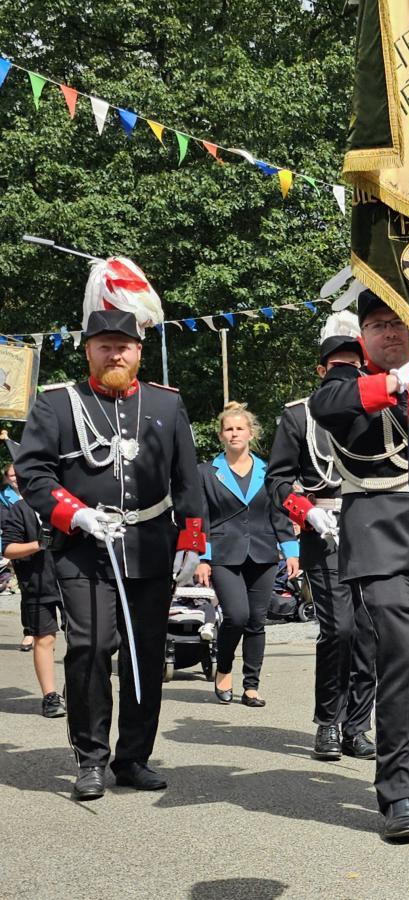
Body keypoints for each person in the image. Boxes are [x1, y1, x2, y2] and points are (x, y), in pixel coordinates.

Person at [18, 289, 206, 800]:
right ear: (88, 351)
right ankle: (91, 758)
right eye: (104, 346)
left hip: (150, 544)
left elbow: (186, 479)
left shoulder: (166, 402)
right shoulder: (58, 403)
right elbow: (33, 472)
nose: (114, 355)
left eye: (123, 346)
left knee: (146, 653)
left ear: (139, 351)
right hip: (84, 549)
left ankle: (134, 758)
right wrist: (74, 513)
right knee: (92, 647)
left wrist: (192, 541)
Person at [309, 290, 409, 842]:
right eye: (378, 324)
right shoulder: (347, 376)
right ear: (362, 336)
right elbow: (328, 406)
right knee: (405, 658)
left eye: (400, 322)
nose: (391, 332)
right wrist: (395, 382)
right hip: (378, 531)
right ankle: (396, 792)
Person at [267, 312, 378, 759]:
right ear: (321, 370)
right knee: (340, 629)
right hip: (324, 528)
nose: (347, 372)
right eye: (338, 365)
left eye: (354, 363)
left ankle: (357, 725)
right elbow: (278, 480)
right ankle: (329, 721)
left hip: (371, 527)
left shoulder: (379, 410)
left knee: (370, 631)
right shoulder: (299, 415)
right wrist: (307, 512)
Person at [194, 403, 299, 707]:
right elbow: (200, 518)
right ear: (221, 435)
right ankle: (224, 667)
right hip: (223, 554)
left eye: (240, 428)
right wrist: (202, 558)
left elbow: (279, 514)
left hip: (264, 553)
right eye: (229, 429)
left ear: (251, 433)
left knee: (256, 621)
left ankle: (251, 686)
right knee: (237, 616)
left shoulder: (269, 472)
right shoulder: (205, 473)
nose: (234, 433)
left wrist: (291, 552)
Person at [1, 449, 66, 716]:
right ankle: (50, 697)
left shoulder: (68, 505)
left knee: (83, 641)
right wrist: (38, 544)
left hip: (73, 582)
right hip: (38, 584)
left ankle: (76, 689)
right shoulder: (20, 509)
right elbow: (8, 549)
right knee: (44, 638)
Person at [1, 459, 36, 651]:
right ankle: (29, 632)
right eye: (12, 476)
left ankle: (62, 631)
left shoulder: (38, 492)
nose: (16, 478)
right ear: (6, 478)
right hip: (19, 549)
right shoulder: (3, 499)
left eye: (18, 474)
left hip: (46, 548)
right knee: (28, 592)